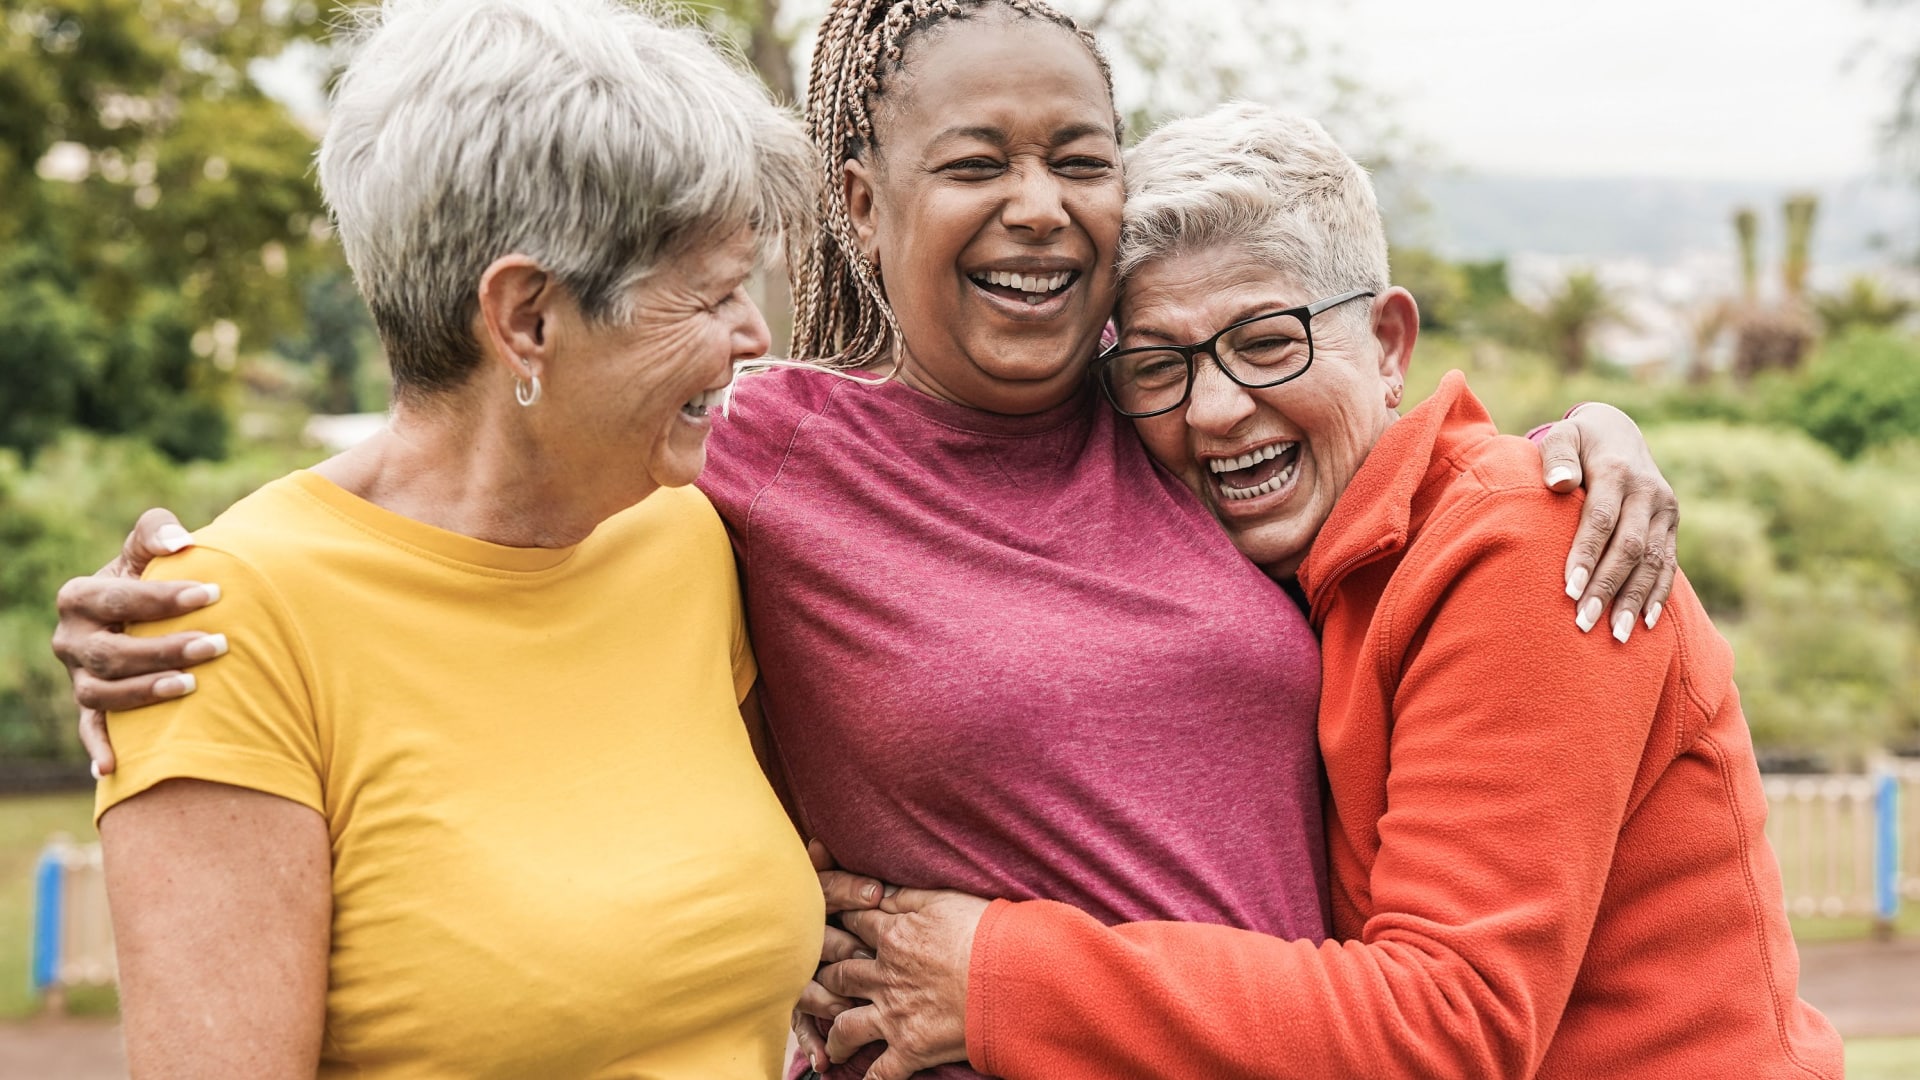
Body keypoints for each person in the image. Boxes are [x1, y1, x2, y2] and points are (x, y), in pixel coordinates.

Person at [54, 4, 1685, 1078]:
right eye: (971, 163)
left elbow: (1346, 425)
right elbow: (473, 453)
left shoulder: (1160, 417)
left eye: (1078, 160)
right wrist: (205, 582)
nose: (1038, 207)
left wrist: (1568, 447)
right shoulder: (758, 465)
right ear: (859, 204)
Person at [802, 104, 1844, 1080]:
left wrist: (993, 972)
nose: (1215, 410)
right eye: (1161, 366)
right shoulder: (1276, 566)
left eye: (1267, 343)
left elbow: (1451, 1021)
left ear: (1388, 343)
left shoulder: (1528, 549)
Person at [65, 1, 825, 1076]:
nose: (752, 335)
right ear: (526, 319)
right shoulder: (219, 626)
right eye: (708, 295)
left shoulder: (688, 531)